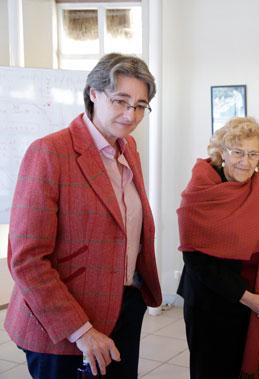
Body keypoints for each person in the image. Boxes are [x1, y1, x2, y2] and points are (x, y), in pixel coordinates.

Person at [4, 53, 162, 379]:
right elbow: (27, 259)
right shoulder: (50, 152)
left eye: (140, 105)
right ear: (93, 92)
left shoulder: (127, 148)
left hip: (123, 305)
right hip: (65, 323)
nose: (130, 114)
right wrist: (81, 330)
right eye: (120, 100)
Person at [177, 117, 259, 379]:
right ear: (222, 152)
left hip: (256, 302)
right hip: (211, 305)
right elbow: (197, 260)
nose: (245, 161)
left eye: (253, 153)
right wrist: (250, 299)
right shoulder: (202, 189)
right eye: (238, 152)